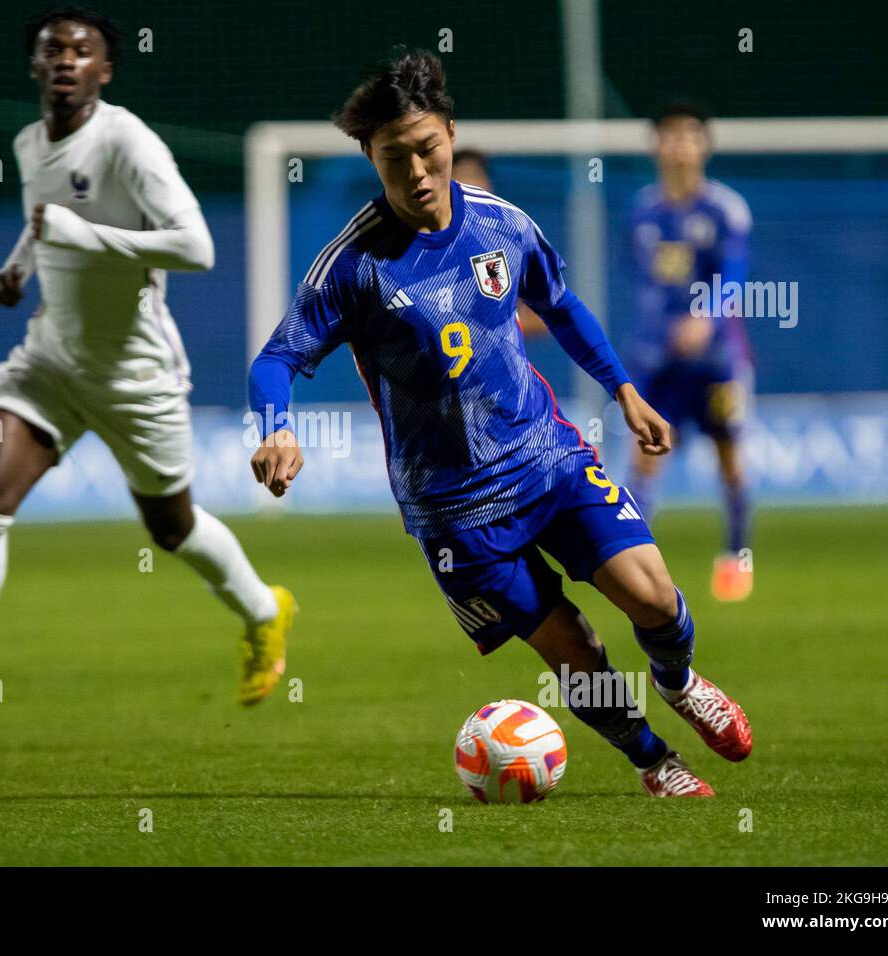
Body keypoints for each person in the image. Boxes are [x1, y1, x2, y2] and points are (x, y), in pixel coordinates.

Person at [248, 51, 751, 796]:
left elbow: (562, 304)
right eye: (395, 159)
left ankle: (679, 681)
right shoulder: (353, 265)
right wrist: (276, 426)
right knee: (574, 651)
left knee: (653, 597)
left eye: (428, 149)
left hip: (546, 458)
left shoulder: (500, 224)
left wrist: (622, 390)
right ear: (371, 158)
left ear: (450, 133)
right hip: (455, 510)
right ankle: (655, 761)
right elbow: (275, 359)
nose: (417, 171)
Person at [0, 6, 294, 731]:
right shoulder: (26, 143)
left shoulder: (128, 142)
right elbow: (44, 215)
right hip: (48, 361)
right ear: (36, 66)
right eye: (53, 50)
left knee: (170, 529)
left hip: (137, 375)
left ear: (104, 70)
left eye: (82, 51)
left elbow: (197, 247)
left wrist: (87, 235)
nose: (66, 60)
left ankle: (265, 610)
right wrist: (19, 267)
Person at [628, 100, 755, 601]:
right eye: (671, 135)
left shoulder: (725, 209)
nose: (680, 145)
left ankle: (736, 558)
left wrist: (707, 317)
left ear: (704, 145)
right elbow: (644, 284)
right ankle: (636, 566)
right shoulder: (642, 211)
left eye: (689, 136)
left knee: (729, 458)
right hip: (658, 364)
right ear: (656, 144)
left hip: (717, 363)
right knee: (644, 460)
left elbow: (736, 275)